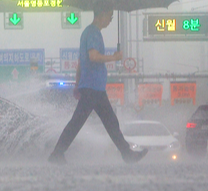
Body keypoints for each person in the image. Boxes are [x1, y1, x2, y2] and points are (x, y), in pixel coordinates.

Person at [48, 9, 148, 165]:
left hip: (93, 87)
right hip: (93, 88)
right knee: (81, 122)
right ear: (102, 15)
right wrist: (114, 58)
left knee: (109, 122)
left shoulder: (87, 33)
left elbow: (81, 61)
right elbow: (93, 57)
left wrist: (77, 83)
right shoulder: (94, 33)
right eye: (110, 16)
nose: (110, 20)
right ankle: (57, 153)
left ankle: (126, 153)